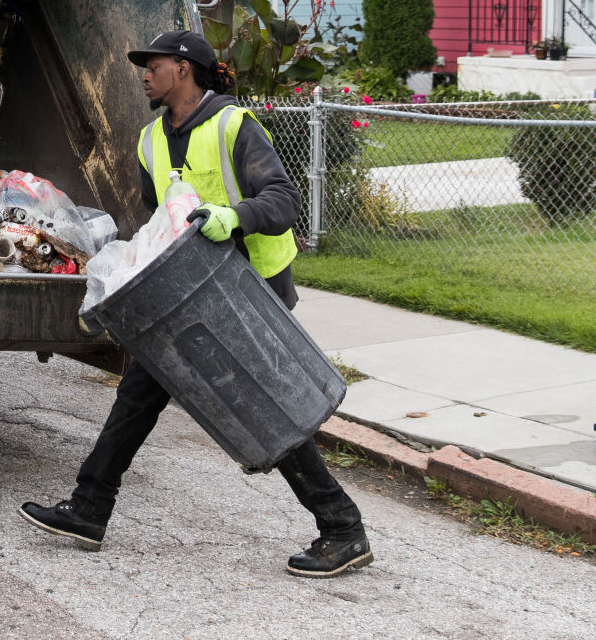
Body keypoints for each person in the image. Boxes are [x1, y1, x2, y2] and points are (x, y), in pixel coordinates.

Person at [20, 30, 373, 579]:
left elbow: (282, 200)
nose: (143, 74)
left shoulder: (233, 126)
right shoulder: (150, 141)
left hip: (249, 290)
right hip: (188, 293)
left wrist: (234, 217)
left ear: (184, 69)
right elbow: (157, 218)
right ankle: (89, 507)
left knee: (264, 407)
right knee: (138, 394)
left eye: (152, 64)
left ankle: (343, 529)